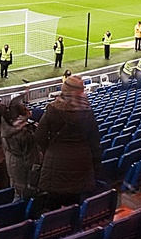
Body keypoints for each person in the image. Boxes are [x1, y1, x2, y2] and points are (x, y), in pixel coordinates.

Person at [32, 75, 100, 214]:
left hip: (56, 162)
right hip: (81, 162)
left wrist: (50, 149)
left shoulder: (53, 109)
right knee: (74, 203)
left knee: (52, 204)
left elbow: (39, 136)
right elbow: (94, 140)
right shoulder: (87, 111)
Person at [1, 95, 39, 201]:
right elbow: (33, 161)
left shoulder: (5, 130)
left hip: (13, 171)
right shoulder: (25, 135)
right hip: (24, 176)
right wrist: (32, 185)